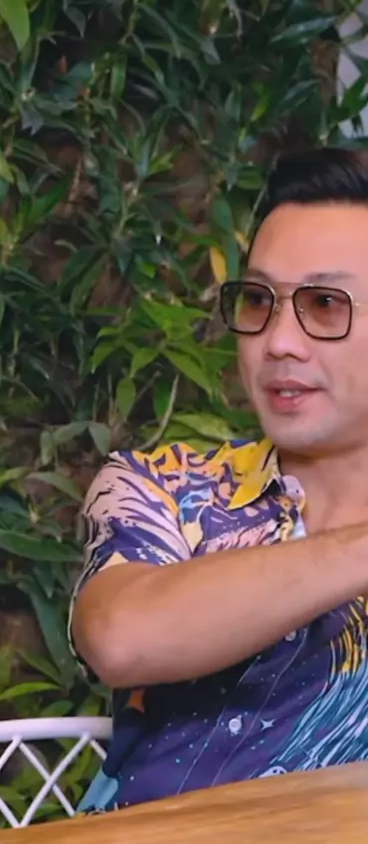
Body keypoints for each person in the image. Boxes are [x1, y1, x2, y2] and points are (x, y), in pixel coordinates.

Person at [69, 147, 368, 812]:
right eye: (259, 300)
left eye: (324, 304)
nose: (277, 341)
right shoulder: (168, 486)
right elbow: (120, 636)